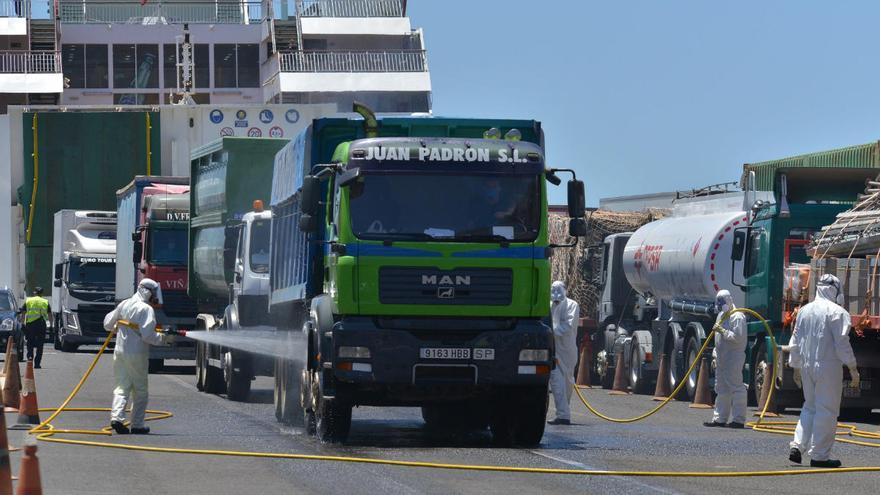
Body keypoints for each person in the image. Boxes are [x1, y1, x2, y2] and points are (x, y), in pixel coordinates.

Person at [785, 274, 858, 468]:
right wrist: (852, 368)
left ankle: (797, 446)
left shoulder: (804, 311)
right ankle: (819, 456)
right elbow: (842, 344)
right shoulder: (838, 313)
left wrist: (796, 366)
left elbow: (795, 341)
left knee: (809, 406)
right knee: (827, 410)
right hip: (828, 367)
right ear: (835, 290)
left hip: (808, 366)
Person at [103, 278, 171, 435]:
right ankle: (137, 424)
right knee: (140, 390)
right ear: (146, 291)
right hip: (137, 353)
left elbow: (107, 324)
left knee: (122, 387)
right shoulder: (145, 309)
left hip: (119, 351)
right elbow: (148, 336)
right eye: (153, 292)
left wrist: (120, 326)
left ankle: (117, 418)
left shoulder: (124, 304)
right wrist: (164, 339)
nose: (154, 296)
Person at [703, 290, 748, 429]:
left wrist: (722, 331)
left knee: (736, 387)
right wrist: (715, 355)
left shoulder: (737, 317)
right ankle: (719, 419)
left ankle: (738, 419)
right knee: (721, 388)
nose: (720, 305)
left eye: (722, 302)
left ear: (729, 300)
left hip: (734, 357)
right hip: (722, 358)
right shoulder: (721, 316)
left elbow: (738, 338)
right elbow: (718, 339)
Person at [547, 281, 580, 425]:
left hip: (567, 349)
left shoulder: (572, 305)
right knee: (555, 379)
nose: (556, 293)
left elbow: (568, 325)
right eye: (553, 289)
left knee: (567, 381)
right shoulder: (549, 306)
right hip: (554, 349)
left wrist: (552, 332)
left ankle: (564, 411)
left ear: (565, 290)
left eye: (558, 289)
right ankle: (563, 414)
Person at [22, 287, 52, 369]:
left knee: (30, 342)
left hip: (30, 324)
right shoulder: (45, 302)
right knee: (40, 344)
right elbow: (50, 314)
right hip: (41, 324)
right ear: (42, 294)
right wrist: (51, 325)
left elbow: (23, 312)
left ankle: (30, 357)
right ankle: (37, 363)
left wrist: (22, 323)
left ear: (34, 293)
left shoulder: (28, 300)